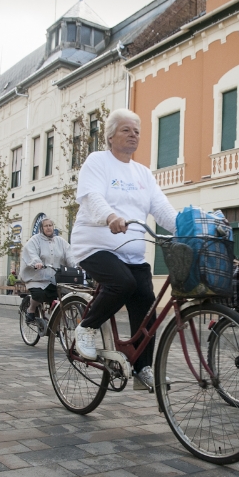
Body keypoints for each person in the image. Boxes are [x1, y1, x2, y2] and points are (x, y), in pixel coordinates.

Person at [70, 108, 177, 391]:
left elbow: (161, 207)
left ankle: (143, 368)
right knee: (122, 283)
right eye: (126, 130)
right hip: (95, 244)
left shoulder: (142, 173)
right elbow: (92, 196)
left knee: (146, 300)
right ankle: (86, 327)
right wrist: (110, 217)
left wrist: (185, 228)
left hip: (131, 250)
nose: (133, 135)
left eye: (137, 131)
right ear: (110, 136)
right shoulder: (98, 161)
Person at [20, 218, 76, 322]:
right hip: (36, 278)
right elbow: (31, 253)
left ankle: (54, 322)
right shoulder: (35, 240)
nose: (48, 227)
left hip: (54, 279)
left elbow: (69, 254)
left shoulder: (60, 241)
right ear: (41, 228)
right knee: (38, 295)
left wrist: (75, 265)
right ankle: (31, 310)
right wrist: (37, 262)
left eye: (50, 225)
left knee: (59, 296)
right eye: (46, 226)